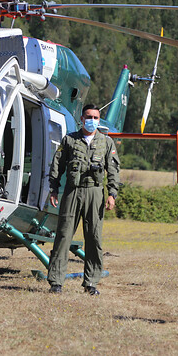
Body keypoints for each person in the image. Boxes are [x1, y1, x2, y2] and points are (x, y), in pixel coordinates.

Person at [47, 104, 120, 295]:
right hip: (72, 192)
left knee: (94, 237)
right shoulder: (70, 140)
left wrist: (112, 194)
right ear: (82, 118)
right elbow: (57, 165)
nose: (92, 121)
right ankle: (56, 281)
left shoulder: (106, 142)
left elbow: (113, 170)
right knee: (63, 235)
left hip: (95, 193)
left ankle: (91, 282)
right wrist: (53, 189)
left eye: (96, 117)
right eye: (89, 117)